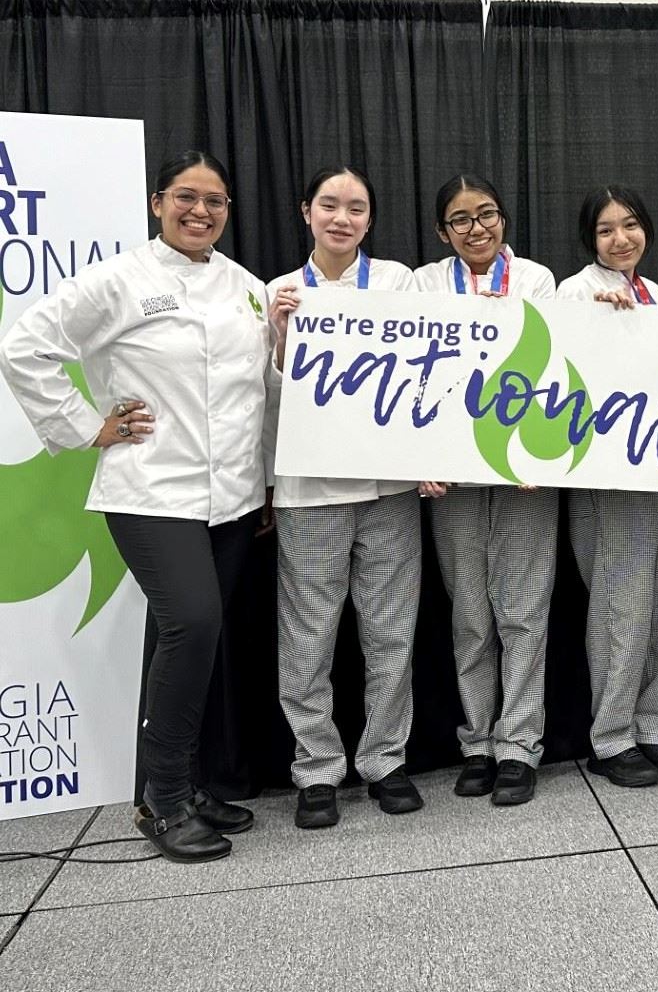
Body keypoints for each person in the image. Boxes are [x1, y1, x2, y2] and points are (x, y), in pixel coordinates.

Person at [0, 150, 270, 863]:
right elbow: (23, 345)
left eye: (215, 200)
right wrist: (87, 426)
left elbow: (258, 392)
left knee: (196, 636)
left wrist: (267, 483)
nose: (201, 211)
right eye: (187, 196)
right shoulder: (118, 279)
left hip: (234, 497)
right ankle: (165, 799)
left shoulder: (246, 287)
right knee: (194, 620)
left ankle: (194, 781)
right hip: (151, 489)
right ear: (158, 203)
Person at [265, 166, 424, 829]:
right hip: (308, 490)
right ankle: (317, 768)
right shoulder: (278, 291)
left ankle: (384, 759)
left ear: (369, 217)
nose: (341, 217)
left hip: (388, 487)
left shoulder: (397, 282)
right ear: (306, 211)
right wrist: (279, 337)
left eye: (355, 207)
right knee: (309, 637)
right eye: (329, 204)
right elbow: (267, 398)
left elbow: (424, 375)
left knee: (390, 634)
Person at [414, 174, 558, 807]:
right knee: (471, 618)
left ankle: (519, 745)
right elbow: (411, 377)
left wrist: (536, 452)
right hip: (454, 478)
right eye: (462, 219)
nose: (478, 228)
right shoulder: (423, 284)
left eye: (488, 214)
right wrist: (420, 456)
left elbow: (556, 366)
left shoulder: (536, 279)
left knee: (524, 615)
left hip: (524, 474)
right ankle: (477, 741)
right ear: (444, 232)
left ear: (505, 218)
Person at [557, 186, 658, 787]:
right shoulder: (575, 291)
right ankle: (611, 737)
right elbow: (563, 378)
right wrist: (597, 326)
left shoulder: (655, 292)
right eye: (607, 230)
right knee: (620, 609)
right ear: (591, 240)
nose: (622, 239)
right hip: (608, 476)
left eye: (631, 225)